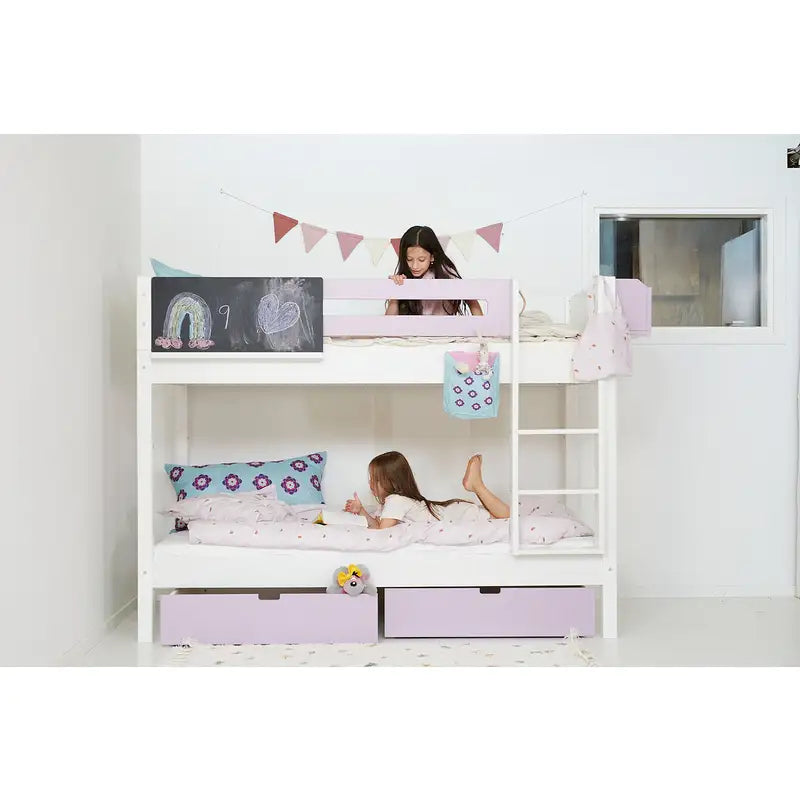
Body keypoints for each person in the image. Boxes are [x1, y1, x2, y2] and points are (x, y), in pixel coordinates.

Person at [343, 451, 508, 530]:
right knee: (500, 514)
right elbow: (379, 525)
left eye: (375, 479)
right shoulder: (392, 502)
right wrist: (362, 511)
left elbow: (382, 531)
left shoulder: (395, 500)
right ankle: (475, 484)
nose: (370, 483)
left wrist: (364, 514)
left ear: (391, 481)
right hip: (454, 512)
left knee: (507, 516)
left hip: (458, 515)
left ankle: (477, 485)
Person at [385, 225, 483, 316]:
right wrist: (396, 290)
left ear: (432, 257)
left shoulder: (446, 274)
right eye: (409, 259)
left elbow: (472, 300)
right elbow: (388, 322)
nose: (414, 266)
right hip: (414, 327)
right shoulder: (404, 277)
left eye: (421, 260)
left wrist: (482, 326)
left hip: (443, 327)